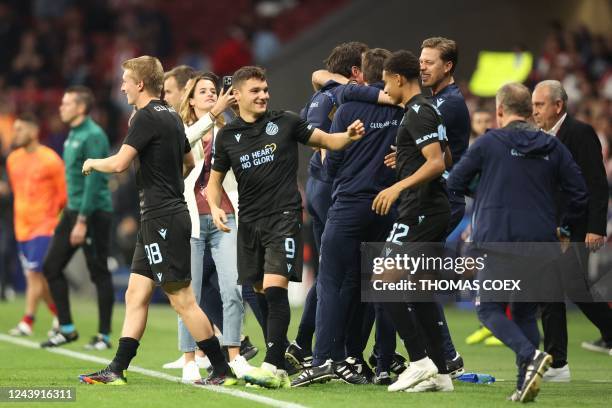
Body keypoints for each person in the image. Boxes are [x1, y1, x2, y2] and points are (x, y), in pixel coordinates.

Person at [78, 55, 234, 386]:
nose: (121, 86)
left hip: (162, 217)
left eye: (125, 80)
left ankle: (222, 369)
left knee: (182, 300)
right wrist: (167, 182)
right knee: (135, 294)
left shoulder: (146, 117)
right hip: (162, 216)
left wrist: (92, 162)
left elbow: (120, 164)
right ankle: (117, 369)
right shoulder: (171, 116)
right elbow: (190, 161)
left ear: (139, 84)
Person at [208, 65, 365, 389]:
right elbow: (214, 182)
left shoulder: (286, 121)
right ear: (236, 96)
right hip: (249, 223)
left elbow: (327, 140)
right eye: (255, 91)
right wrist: (214, 206)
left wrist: (346, 137)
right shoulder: (227, 137)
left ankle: (271, 363)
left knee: (276, 287)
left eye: (265, 89)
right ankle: (279, 362)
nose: (263, 95)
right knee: (260, 291)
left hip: (284, 217)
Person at [448, 82, 588, 402]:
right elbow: (579, 193)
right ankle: (524, 379)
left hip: (498, 240)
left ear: (499, 111)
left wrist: (487, 194)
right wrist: (564, 228)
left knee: (489, 310)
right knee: (524, 313)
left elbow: (455, 182)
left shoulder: (489, 143)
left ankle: (530, 354)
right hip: (541, 242)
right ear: (529, 110)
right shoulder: (552, 146)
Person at [292, 48, 402, 387]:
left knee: (330, 280)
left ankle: (323, 357)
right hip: (386, 207)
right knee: (368, 284)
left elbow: (331, 166)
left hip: (349, 204)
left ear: (361, 75)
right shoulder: (403, 111)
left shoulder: (346, 107)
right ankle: (360, 356)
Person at [287, 41, 377, 370]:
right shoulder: (345, 95)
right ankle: (339, 352)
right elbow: (322, 140)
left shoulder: (324, 92)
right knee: (344, 273)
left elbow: (317, 76)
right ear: (355, 72)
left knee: (332, 270)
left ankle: (304, 344)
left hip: (320, 185)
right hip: (331, 186)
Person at [372, 50, 454, 393]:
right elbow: (446, 155)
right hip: (429, 207)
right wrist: (405, 159)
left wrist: (399, 184)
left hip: (420, 209)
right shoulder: (424, 110)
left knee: (382, 278)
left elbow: (436, 163)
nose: (384, 88)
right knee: (419, 292)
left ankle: (418, 362)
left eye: (385, 80)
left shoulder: (418, 111)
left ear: (398, 79)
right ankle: (441, 375)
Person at [532, 80, 612, 381]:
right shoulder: (537, 136)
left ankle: (557, 363)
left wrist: (595, 227)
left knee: (561, 288)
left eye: (539, 105)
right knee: (565, 289)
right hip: (546, 226)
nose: (534, 110)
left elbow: (596, 183)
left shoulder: (579, 133)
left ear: (558, 106)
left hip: (575, 226)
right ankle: (558, 362)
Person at [41, 86, 115, 350]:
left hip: (93, 212)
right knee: (51, 267)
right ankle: (67, 328)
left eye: (67, 103)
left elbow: (95, 181)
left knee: (99, 273)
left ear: (81, 108)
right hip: (73, 211)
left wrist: (82, 219)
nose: (61, 107)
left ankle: (104, 336)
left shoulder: (92, 134)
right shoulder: (72, 133)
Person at [6, 113, 65, 337]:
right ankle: (60, 314)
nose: (15, 133)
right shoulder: (13, 160)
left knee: (34, 274)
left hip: (45, 226)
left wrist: (55, 220)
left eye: (20, 129)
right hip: (21, 227)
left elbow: (63, 195)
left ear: (33, 131)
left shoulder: (50, 160)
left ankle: (27, 320)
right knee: (40, 277)